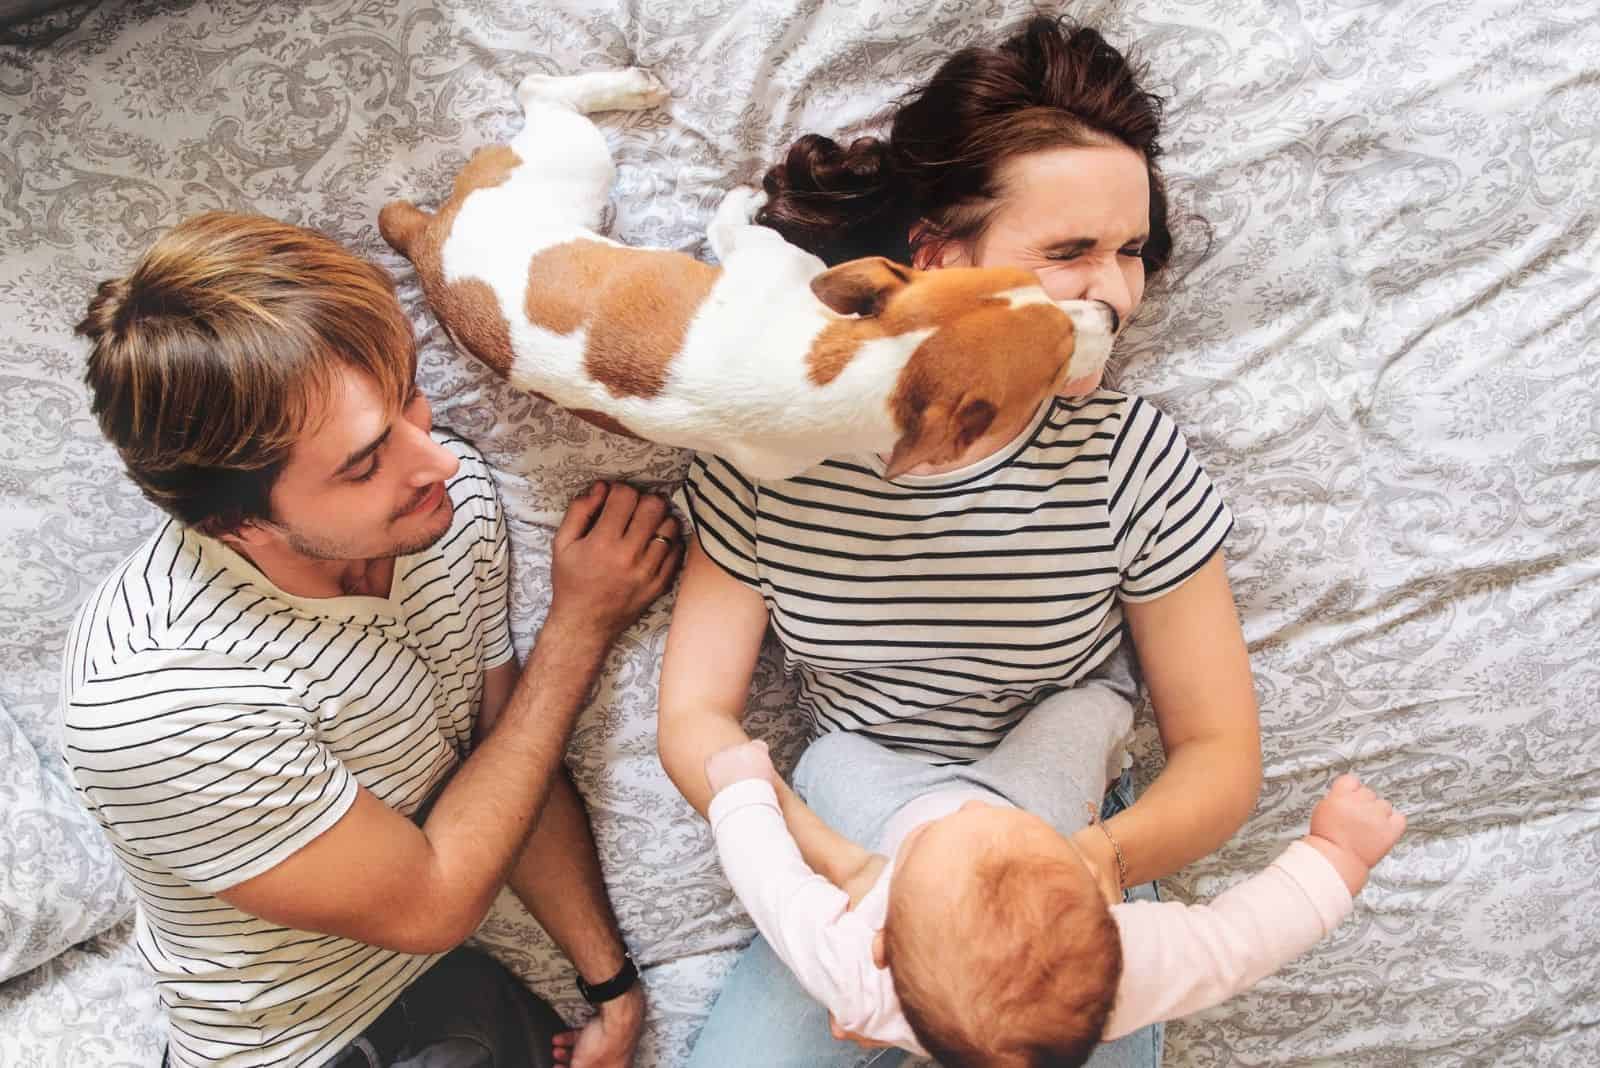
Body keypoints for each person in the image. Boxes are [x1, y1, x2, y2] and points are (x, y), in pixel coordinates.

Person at [657, 16, 1260, 1067]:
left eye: (1129, 252)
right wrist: (839, 871)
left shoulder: (1129, 458)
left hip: (1062, 837)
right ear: (942, 257)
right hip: (854, 820)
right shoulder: (773, 458)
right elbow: (697, 716)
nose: (1112, 294)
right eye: (1068, 253)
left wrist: (1087, 866)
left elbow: (1219, 751)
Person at [64, 212, 681, 1068]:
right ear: (233, 520)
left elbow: (507, 764)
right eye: (362, 464)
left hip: (450, 992)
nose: (437, 462)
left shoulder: (440, 511)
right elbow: (433, 897)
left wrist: (610, 987)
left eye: (408, 398)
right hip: (290, 1046)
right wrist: (579, 627)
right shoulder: (156, 699)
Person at [699, 729, 1405, 1067]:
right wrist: (1336, 857)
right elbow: (1240, 942)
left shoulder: (853, 972)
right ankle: (1095, 702)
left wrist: (740, 789)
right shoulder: (1130, 964)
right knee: (1083, 716)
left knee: (828, 762)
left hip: (881, 797)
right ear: (1109, 909)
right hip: (1029, 792)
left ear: (879, 933)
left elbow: (774, 884)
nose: (975, 809)